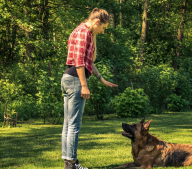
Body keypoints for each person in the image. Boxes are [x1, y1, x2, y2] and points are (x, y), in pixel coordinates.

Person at [61, 8, 118, 169]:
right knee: (74, 125)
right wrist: (84, 85)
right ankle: (72, 164)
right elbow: (79, 60)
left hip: (71, 79)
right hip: (75, 80)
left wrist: (101, 79)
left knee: (68, 124)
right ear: (97, 22)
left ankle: (68, 162)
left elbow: (90, 60)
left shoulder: (86, 32)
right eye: (103, 28)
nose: (103, 31)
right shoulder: (82, 32)